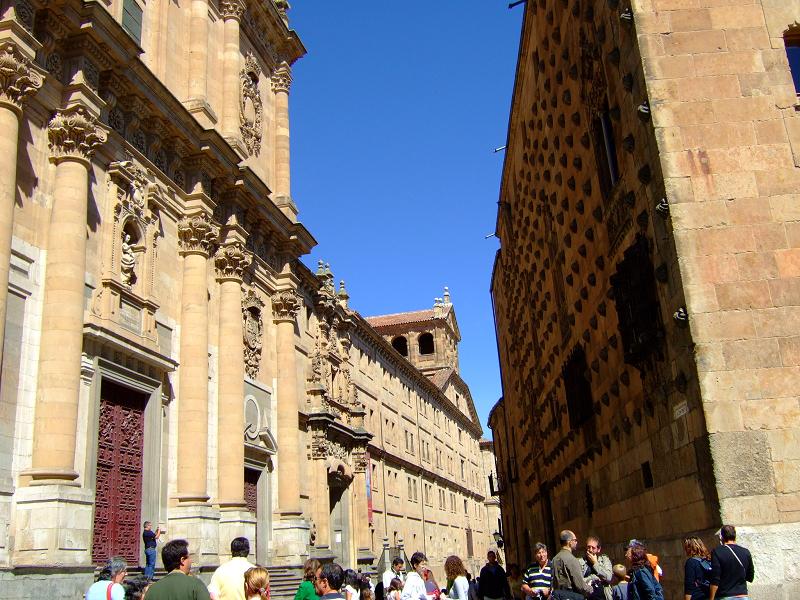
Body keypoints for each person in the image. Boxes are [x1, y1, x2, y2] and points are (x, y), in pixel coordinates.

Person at [146, 539, 211, 600]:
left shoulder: (152, 590)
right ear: (182, 560)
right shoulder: (196, 585)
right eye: (189, 557)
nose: (191, 561)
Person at [709, 525, 754, 600]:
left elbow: (715, 578)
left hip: (725, 595)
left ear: (722, 537)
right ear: (735, 536)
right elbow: (750, 577)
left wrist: (711, 598)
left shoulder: (717, 552)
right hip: (742, 595)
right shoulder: (746, 552)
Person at [551, 530, 592, 600]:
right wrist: (590, 588)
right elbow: (580, 585)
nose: (576, 542)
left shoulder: (554, 559)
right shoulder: (572, 559)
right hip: (572, 596)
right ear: (569, 542)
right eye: (575, 540)